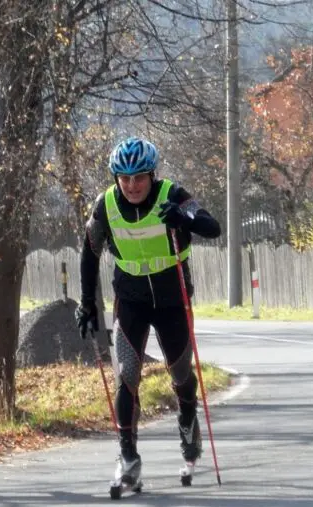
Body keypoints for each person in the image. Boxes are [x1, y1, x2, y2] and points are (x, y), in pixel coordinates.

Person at [75, 136, 222, 488]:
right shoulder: (106, 204)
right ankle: (127, 456)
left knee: (181, 372)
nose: (132, 185)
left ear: (152, 175)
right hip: (131, 301)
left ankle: (188, 416)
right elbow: (89, 253)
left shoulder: (172, 194)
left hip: (173, 300)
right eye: (124, 178)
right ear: (115, 178)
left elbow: (212, 227)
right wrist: (88, 303)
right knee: (127, 375)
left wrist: (184, 217)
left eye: (139, 177)